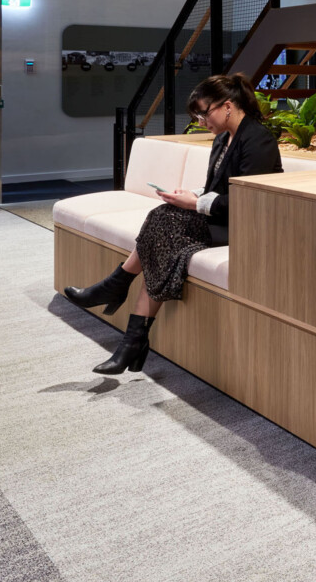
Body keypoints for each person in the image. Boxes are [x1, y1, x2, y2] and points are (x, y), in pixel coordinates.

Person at [65, 73, 282, 374]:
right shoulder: (223, 139)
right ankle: (132, 336)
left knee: (163, 225)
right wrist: (189, 194)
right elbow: (214, 187)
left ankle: (118, 292)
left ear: (228, 106)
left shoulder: (258, 140)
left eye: (204, 113)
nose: (201, 121)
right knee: (162, 223)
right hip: (220, 217)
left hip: (245, 225)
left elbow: (247, 202)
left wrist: (194, 203)